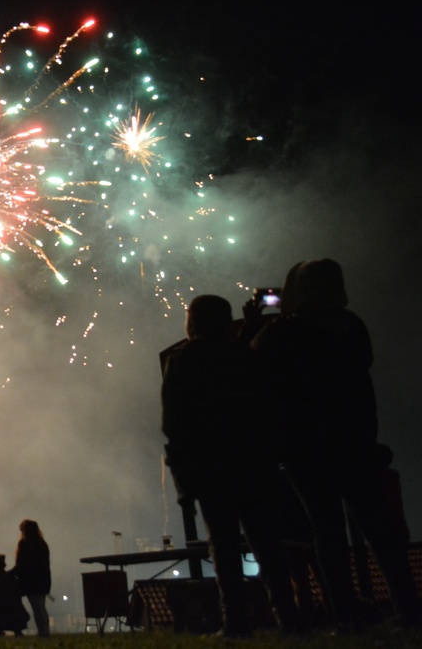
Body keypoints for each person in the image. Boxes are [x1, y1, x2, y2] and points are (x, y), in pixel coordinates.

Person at [248, 259, 422, 631]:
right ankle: (408, 609)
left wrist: (254, 324)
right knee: (379, 530)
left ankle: (344, 613)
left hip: (306, 449)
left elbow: (255, 369)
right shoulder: (352, 325)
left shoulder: (282, 334)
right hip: (357, 442)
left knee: (325, 532)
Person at [163, 294, 302, 637]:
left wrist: (185, 472)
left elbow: (174, 422)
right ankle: (289, 618)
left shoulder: (182, 361)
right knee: (267, 543)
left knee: (222, 546)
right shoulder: (245, 356)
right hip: (254, 462)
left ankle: (235, 621)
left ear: (192, 321)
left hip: (212, 467)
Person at [12, 519, 51, 637]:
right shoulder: (42, 543)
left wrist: (11, 573)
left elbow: (21, 565)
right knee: (41, 607)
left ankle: (43, 632)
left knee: (37, 608)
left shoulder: (24, 544)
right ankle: (45, 631)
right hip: (43, 580)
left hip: (31, 581)